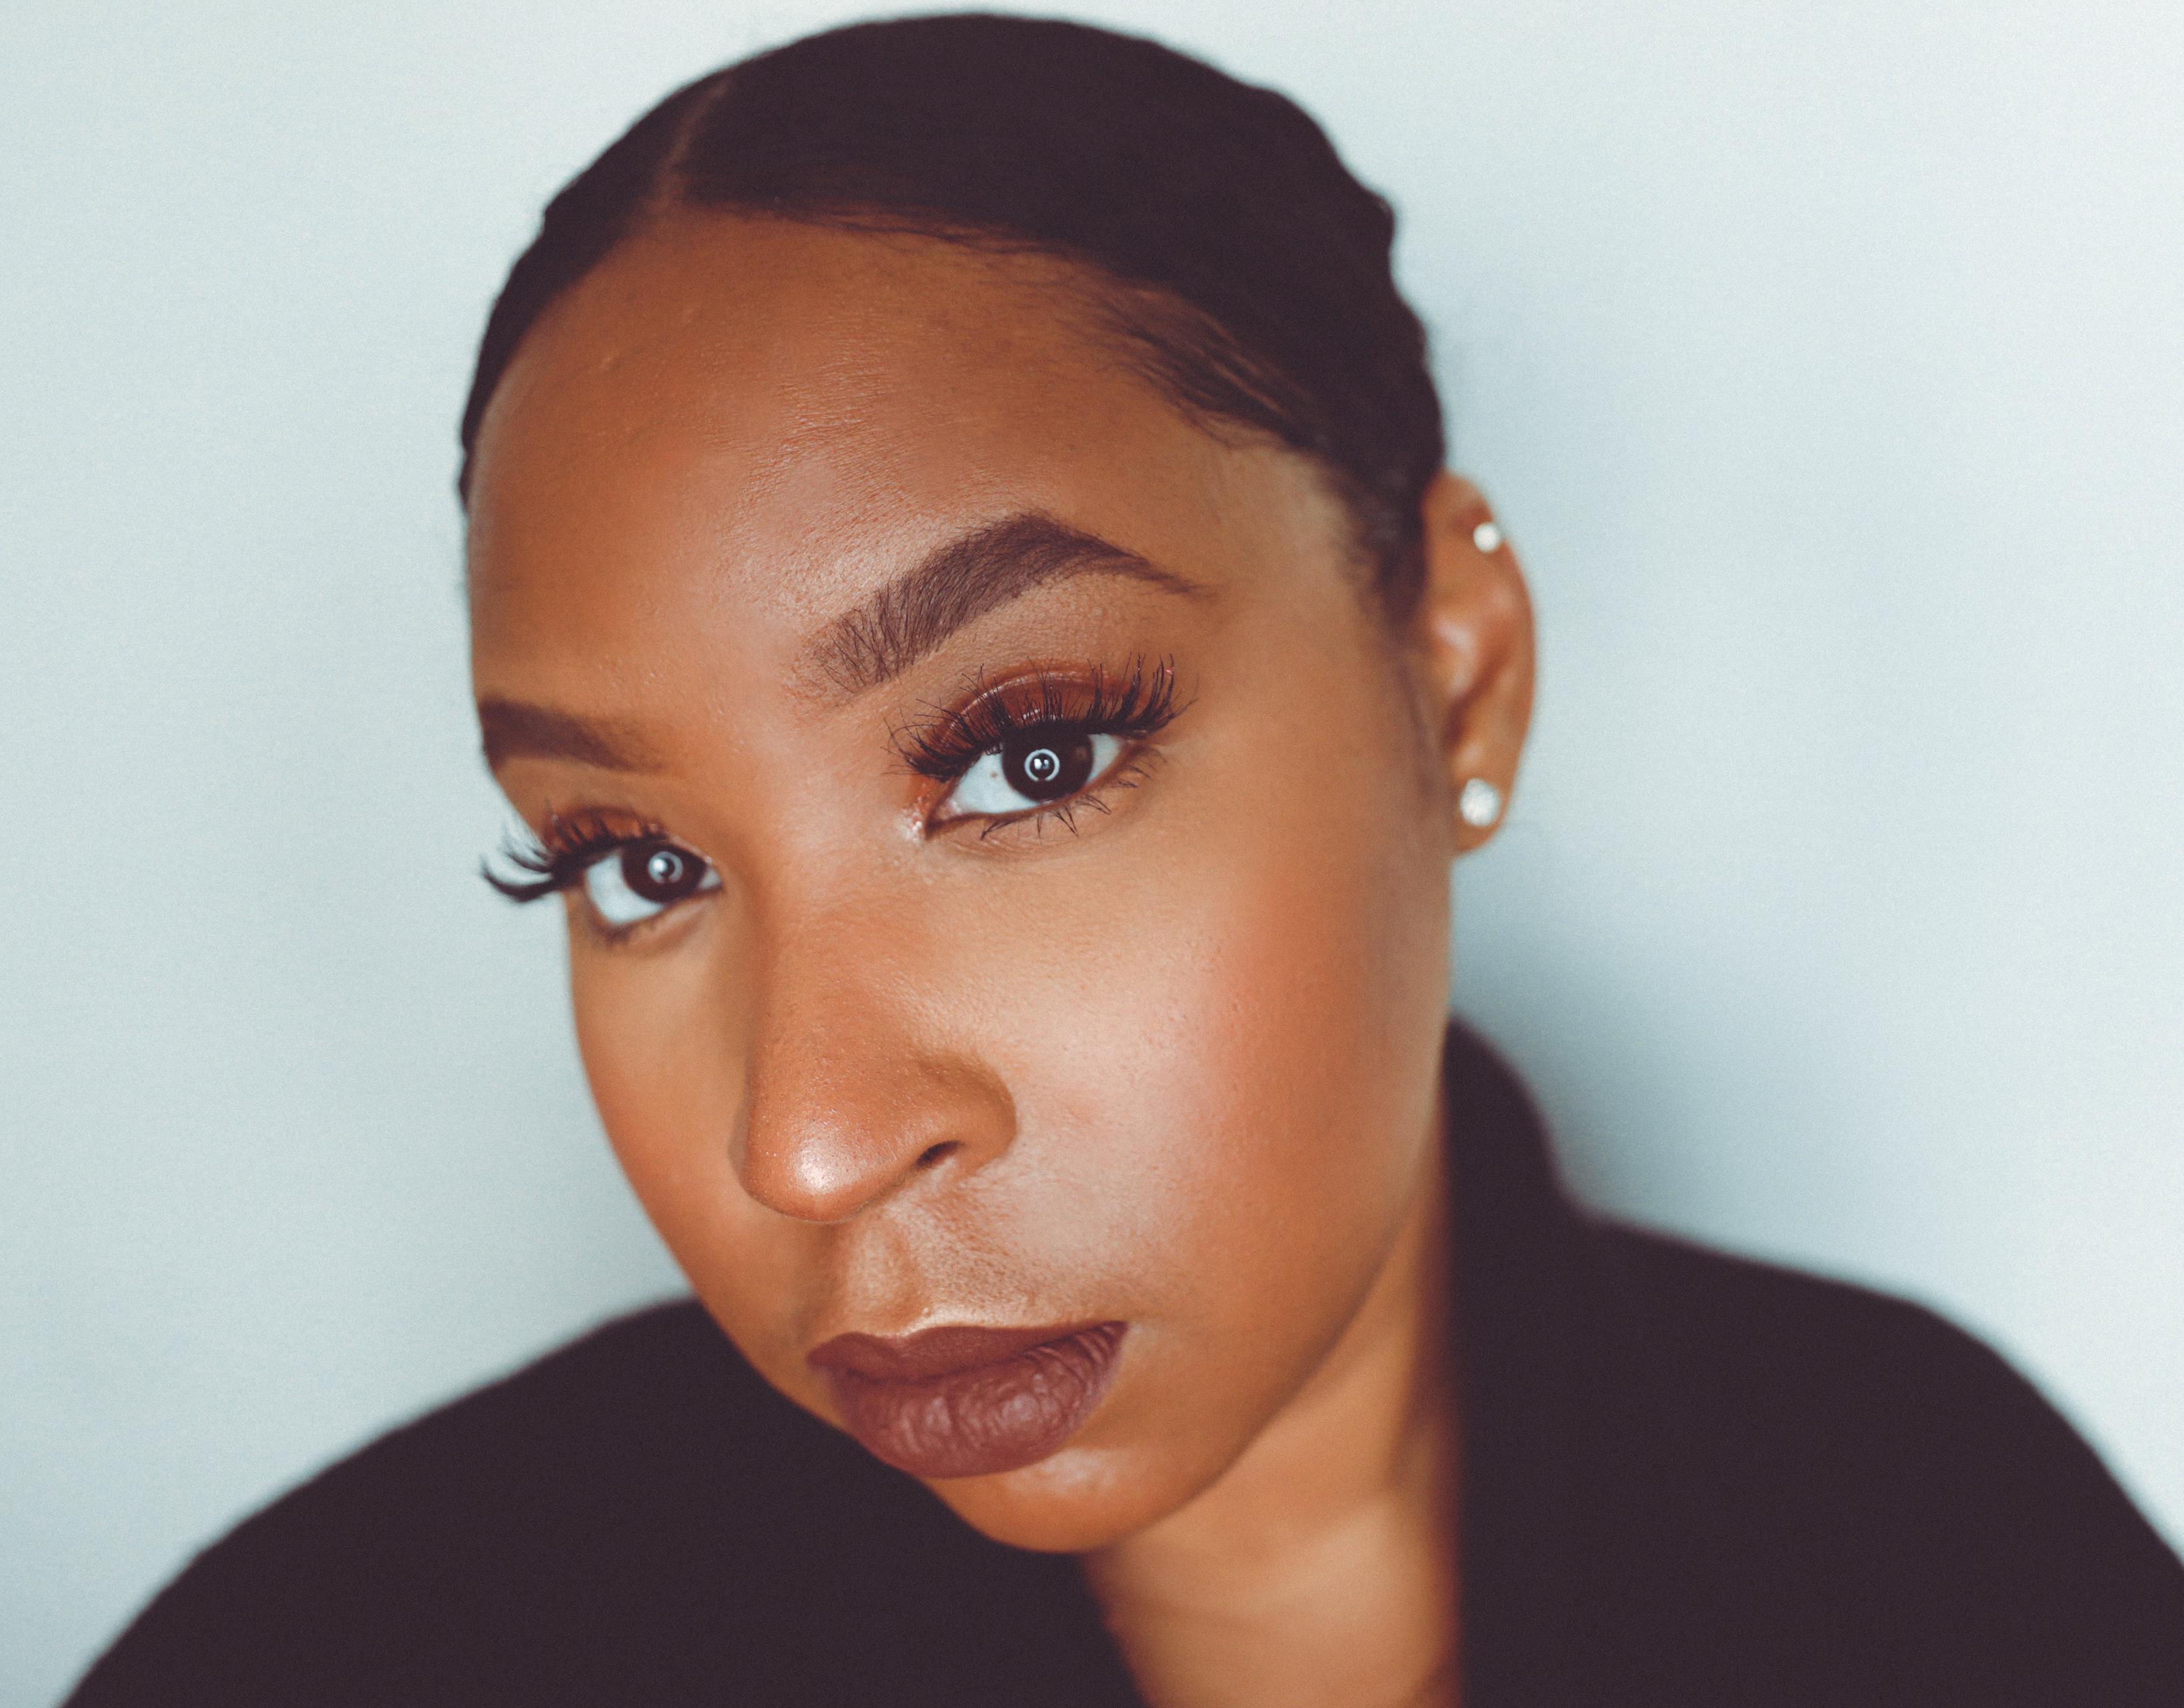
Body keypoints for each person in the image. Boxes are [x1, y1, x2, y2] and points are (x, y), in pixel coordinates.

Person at [65, 14, 2184, 1706]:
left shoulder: (1950, 1545)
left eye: (1027, 757)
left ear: (1453, 678)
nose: (809, 1145)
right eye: (633, 864)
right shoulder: (336, 1664)